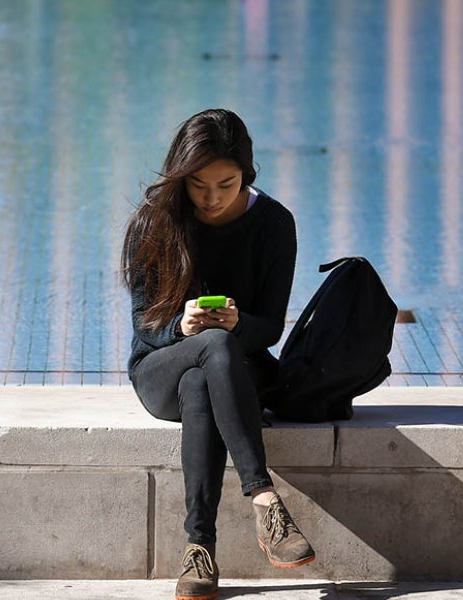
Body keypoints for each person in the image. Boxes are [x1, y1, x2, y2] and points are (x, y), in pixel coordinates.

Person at [120, 108, 315, 600]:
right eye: (198, 185)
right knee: (206, 351)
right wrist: (180, 326)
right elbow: (144, 327)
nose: (211, 198)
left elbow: (270, 326)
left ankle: (198, 549)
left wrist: (240, 325)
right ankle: (264, 496)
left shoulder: (273, 224)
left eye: (225, 184)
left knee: (203, 376)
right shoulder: (153, 221)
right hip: (158, 371)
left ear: (245, 175)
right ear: (181, 177)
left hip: (228, 376)